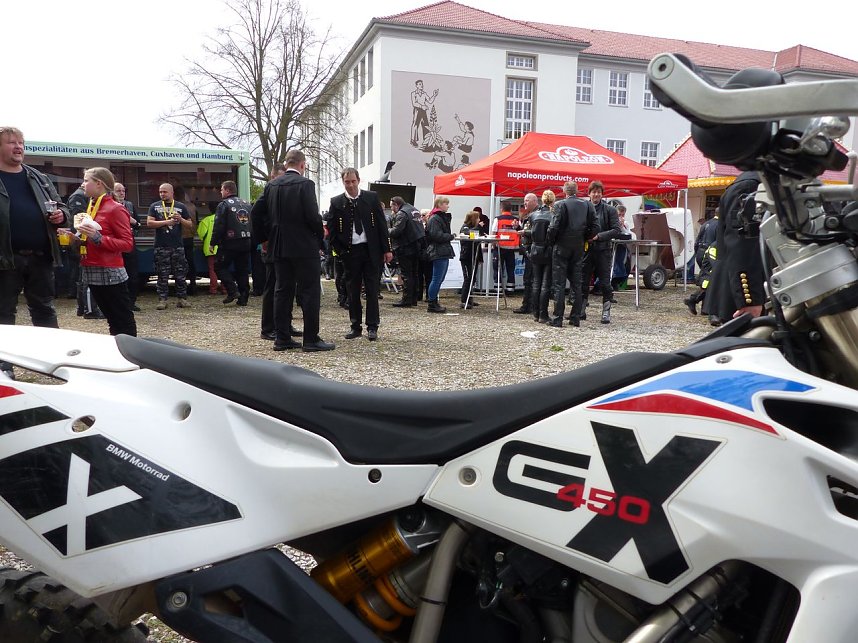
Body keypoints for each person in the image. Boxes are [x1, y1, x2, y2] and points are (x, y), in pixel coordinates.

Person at [0, 126, 70, 378]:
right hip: (6, 259)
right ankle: (3, 367)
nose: (18, 147)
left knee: (44, 309)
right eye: (11, 142)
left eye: (21, 142)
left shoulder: (38, 177)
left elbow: (62, 207)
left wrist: (62, 215)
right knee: (3, 313)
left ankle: (56, 363)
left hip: (41, 256)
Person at [250, 149, 333, 352]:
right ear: (302, 165)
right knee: (309, 292)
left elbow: (255, 212)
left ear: (286, 164)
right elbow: (313, 217)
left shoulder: (272, 185)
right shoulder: (305, 185)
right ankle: (311, 339)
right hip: (303, 246)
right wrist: (320, 239)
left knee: (282, 291)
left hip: (279, 245)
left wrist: (263, 238)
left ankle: (282, 337)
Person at [64, 167, 136, 336]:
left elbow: (127, 244)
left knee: (121, 318)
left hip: (109, 271)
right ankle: (119, 353)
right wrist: (74, 238)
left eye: (86, 180)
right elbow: (89, 237)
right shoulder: (91, 205)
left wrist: (98, 237)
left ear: (99, 184)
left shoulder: (115, 209)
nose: (83, 185)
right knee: (111, 319)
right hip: (91, 268)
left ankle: (132, 355)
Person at [327, 167, 393, 341]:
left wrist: (387, 249)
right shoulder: (337, 202)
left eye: (353, 181)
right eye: (347, 182)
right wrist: (340, 251)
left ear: (358, 180)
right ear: (343, 182)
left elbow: (381, 226)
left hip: (371, 250)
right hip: (350, 252)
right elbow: (332, 230)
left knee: (372, 289)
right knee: (352, 291)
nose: (350, 185)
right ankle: (355, 326)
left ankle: (373, 326)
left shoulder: (371, 198)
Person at [702, 171, 765, 325]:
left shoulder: (757, 183)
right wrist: (750, 299)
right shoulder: (750, 185)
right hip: (743, 289)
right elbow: (743, 243)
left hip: (751, 285)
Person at [546, 181, 597, 327]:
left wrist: (551, 241)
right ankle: (575, 317)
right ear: (577, 191)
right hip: (578, 246)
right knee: (577, 283)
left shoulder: (560, 205)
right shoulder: (587, 205)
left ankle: (558, 318)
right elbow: (595, 226)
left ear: (564, 191)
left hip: (561, 246)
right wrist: (585, 237)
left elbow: (553, 227)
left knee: (559, 283)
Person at [147, 183, 193, 310]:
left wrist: (180, 219)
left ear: (172, 193)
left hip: (177, 246)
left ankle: (182, 299)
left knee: (180, 274)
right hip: (161, 246)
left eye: (165, 192)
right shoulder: (154, 206)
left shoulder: (180, 206)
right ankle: (162, 300)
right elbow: (149, 223)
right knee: (162, 275)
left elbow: (190, 225)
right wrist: (167, 222)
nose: (162, 194)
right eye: (160, 192)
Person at [581, 181, 620, 324]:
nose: (596, 194)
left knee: (604, 283)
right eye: (594, 192)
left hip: (603, 250)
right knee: (583, 281)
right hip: (587, 250)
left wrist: (599, 236)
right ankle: (581, 309)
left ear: (602, 194)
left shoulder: (610, 210)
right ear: (589, 193)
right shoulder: (584, 208)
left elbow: (616, 230)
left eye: (599, 192)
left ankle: (606, 311)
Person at [211, 181, 252, 307]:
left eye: (222, 189)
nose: (221, 191)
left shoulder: (224, 205)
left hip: (230, 242)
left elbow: (219, 225)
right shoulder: (246, 204)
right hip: (246, 241)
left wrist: (213, 242)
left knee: (219, 266)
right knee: (242, 270)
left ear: (227, 190)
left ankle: (232, 290)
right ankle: (244, 298)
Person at [68, 182, 104, 320]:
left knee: (82, 276)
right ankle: (87, 309)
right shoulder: (78, 196)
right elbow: (80, 219)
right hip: (81, 239)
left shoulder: (85, 197)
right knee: (85, 277)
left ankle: (82, 308)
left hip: (84, 238)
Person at [388, 196, 423, 308]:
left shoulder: (402, 213)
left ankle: (406, 299)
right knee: (414, 273)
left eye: (392, 206)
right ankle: (414, 299)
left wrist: (385, 230)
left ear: (396, 204)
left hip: (405, 246)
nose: (392, 209)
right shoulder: (414, 210)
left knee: (406, 274)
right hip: (416, 245)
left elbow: (396, 231)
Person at [528, 190, 556, 323]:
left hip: (535, 249)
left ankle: (535, 312)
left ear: (542, 200)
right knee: (545, 284)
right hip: (548, 249)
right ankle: (543, 314)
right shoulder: (553, 215)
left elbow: (530, 232)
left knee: (536, 283)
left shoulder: (533, 215)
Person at [113, 182, 141, 311]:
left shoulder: (129, 205)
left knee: (132, 275)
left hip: (129, 244)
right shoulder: (109, 206)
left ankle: (131, 302)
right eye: (118, 191)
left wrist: (133, 222)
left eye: (123, 191)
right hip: (115, 245)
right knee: (117, 275)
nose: (121, 193)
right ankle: (119, 303)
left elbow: (139, 224)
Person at [513, 193, 540, 314]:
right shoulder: (528, 215)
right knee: (528, 280)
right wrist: (518, 228)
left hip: (535, 252)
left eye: (527, 200)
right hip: (528, 251)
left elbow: (537, 232)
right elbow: (526, 231)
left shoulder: (538, 214)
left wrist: (525, 232)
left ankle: (531, 306)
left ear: (535, 201)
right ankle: (528, 305)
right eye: (524, 200)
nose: (525, 203)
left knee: (532, 280)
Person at [174, 185, 198, 296]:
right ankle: (193, 285)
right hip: (190, 237)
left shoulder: (176, 206)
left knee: (178, 264)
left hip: (178, 238)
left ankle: (180, 287)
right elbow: (195, 221)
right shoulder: (192, 206)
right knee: (190, 262)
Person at [491, 209, 521, 294]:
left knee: (497, 268)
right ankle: (510, 289)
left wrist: (493, 245)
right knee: (510, 269)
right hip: (511, 248)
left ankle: (498, 289)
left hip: (499, 247)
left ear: (501, 209)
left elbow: (494, 233)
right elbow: (520, 232)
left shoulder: (498, 219)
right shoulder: (516, 220)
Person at [458, 210, 483, 309]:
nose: (479, 220)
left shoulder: (473, 228)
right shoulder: (465, 227)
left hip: (474, 256)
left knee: (473, 278)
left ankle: (470, 298)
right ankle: (464, 301)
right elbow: (470, 235)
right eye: (477, 218)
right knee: (468, 278)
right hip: (466, 257)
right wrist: (478, 227)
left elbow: (477, 239)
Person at [196, 206, 221, 295]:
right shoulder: (225, 219)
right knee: (224, 269)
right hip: (223, 248)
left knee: (212, 269)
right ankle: (225, 288)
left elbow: (201, 234)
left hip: (211, 248)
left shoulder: (206, 220)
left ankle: (213, 289)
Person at [410, 80, 438, 149]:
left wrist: (434, 95)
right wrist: (422, 106)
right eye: (419, 84)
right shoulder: (413, 93)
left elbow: (430, 101)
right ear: (416, 85)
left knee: (426, 125)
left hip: (423, 111)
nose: (421, 85)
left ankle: (426, 141)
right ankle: (413, 140)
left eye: (422, 84)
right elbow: (414, 103)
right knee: (415, 125)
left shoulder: (424, 93)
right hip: (417, 110)